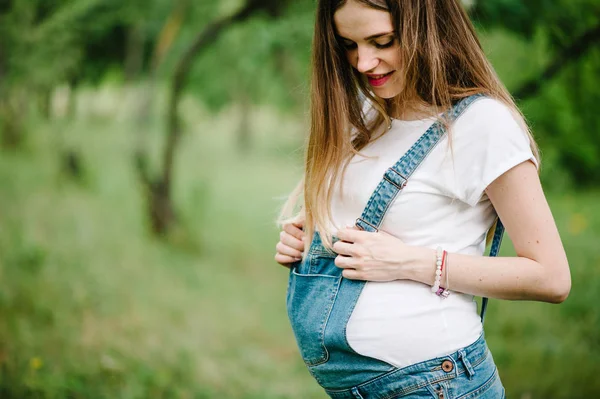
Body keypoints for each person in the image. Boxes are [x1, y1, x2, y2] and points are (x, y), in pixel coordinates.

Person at [274, 0, 571, 398]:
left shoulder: (483, 125)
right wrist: (310, 240)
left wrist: (408, 262)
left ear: (427, 28)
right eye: (349, 45)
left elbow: (551, 278)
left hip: (436, 385)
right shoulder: (367, 114)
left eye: (382, 41)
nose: (363, 62)